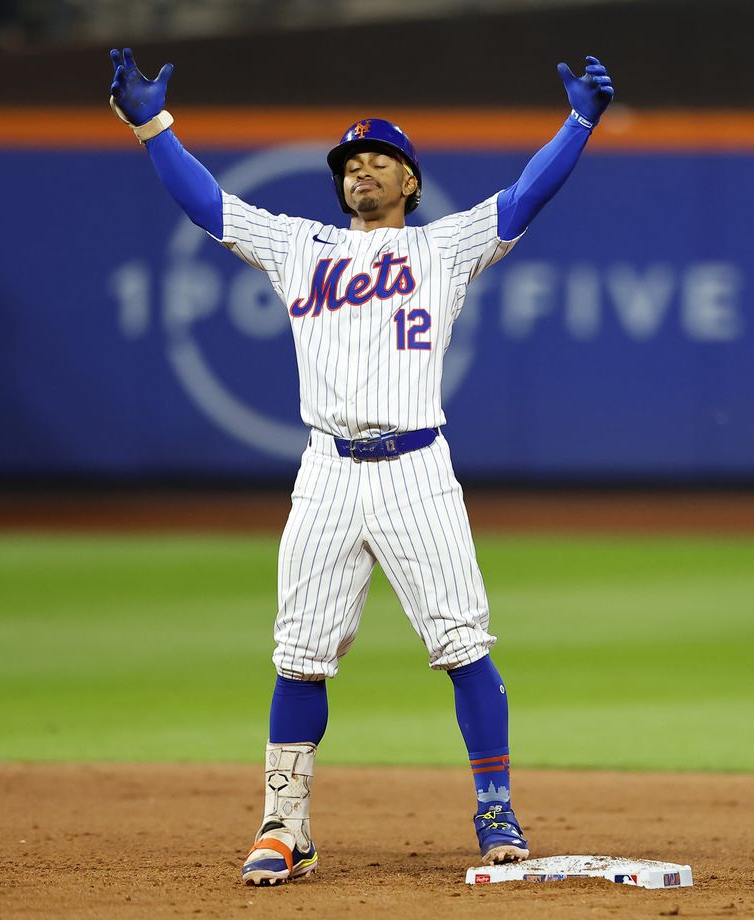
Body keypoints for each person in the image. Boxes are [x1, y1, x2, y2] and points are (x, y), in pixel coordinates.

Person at [109, 47, 614, 887]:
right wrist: (152, 126)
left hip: (417, 468)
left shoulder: (443, 249)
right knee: (298, 654)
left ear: (410, 182)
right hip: (328, 473)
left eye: (380, 161)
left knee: (464, 645)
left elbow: (528, 196)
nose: (362, 172)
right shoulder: (300, 247)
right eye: (351, 163)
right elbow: (210, 204)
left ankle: (495, 808)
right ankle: (284, 824)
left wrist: (580, 122)